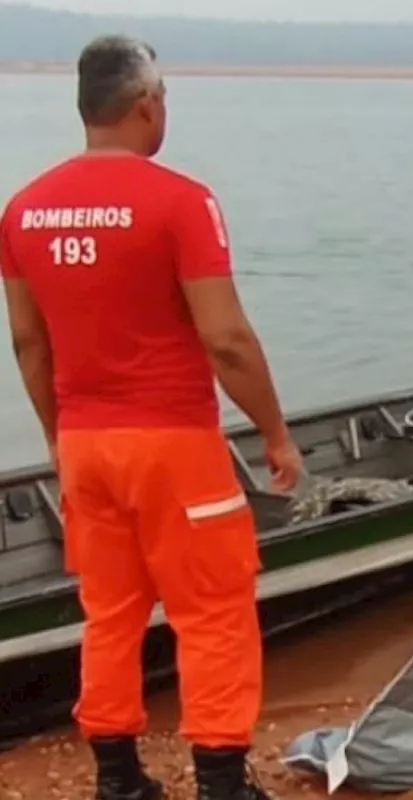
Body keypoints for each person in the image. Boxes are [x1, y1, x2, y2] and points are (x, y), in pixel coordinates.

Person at [0, 35, 302, 800]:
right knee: (213, 610)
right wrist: (273, 432)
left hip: (86, 444)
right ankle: (223, 781)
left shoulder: (23, 209)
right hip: (173, 444)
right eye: (163, 98)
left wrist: (56, 437)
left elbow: (29, 343)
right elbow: (226, 339)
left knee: (109, 613)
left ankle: (117, 778)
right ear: (146, 104)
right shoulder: (181, 200)